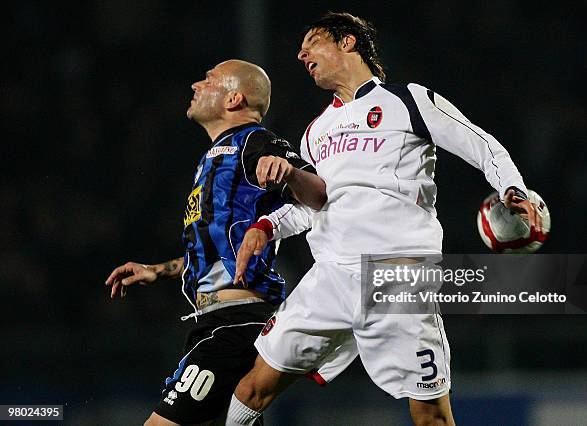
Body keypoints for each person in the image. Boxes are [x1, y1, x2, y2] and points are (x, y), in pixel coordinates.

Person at [225, 12, 543, 426]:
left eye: (313, 41)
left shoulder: (407, 100)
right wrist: (266, 227)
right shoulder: (314, 131)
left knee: (430, 414)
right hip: (331, 276)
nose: (301, 53)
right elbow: (314, 203)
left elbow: (480, 144)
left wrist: (512, 188)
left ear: (348, 42)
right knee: (252, 388)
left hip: (397, 274)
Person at [104, 59, 325, 426]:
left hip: (237, 323)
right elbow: (217, 248)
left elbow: (318, 192)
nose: (196, 85)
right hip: (214, 320)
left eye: (208, 80)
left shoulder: (253, 140)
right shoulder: (212, 157)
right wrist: (158, 270)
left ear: (234, 98)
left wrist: (289, 171)